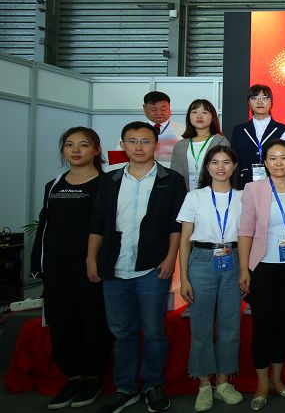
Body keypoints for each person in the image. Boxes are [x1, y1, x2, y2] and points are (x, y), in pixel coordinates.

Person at [87, 121, 187, 413]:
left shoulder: (171, 180)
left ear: (156, 145)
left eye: (145, 141)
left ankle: (153, 385)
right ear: (123, 145)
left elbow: (176, 225)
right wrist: (92, 258)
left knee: (154, 330)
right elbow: (97, 223)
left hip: (152, 267)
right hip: (114, 266)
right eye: (132, 141)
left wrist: (170, 258)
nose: (139, 147)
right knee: (122, 332)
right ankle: (126, 388)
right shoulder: (110, 180)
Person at [31, 127, 108, 410]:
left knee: (92, 319)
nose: (76, 150)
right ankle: (72, 377)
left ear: (96, 150)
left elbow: (107, 227)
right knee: (62, 320)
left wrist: (97, 261)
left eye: (84, 145)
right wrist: (38, 264)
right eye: (69, 145)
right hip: (57, 265)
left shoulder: (106, 184)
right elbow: (44, 226)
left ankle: (93, 377)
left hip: (90, 265)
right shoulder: (53, 185)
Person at [237, 139, 285, 411]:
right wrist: (244, 268)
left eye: (284, 157)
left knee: (284, 324)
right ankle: (262, 384)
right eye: (273, 158)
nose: (279, 163)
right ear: (265, 162)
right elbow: (245, 231)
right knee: (263, 326)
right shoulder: (253, 189)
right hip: (263, 266)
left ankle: (277, 380)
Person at [176, 146, 245, 411]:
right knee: (201, 325)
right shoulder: (194, 196)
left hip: (233, 259)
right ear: (207, 167)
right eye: (215, 162)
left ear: (234, 166)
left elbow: (247, 236)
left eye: (226, 162)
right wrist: (184, 278)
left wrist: (245, 270)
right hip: (202, 261)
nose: (220, 167)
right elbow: (184, 240)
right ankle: (204, 384)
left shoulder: (243, 196)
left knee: (230, 325)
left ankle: (224, 382)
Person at [231, 84, 285, 187]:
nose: (259, 102)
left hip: (275, 182)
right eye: (254, 98)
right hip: (245, 182)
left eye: (265, 98)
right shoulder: (239, 130)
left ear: (271, 102)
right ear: (249, 102)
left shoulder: (283, 130)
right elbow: (234, 159)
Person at [170, 99, 230, 191]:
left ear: (212, 118)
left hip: (212, 192)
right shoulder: (180, 145)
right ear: (189, 117)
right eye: (194, 112)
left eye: (204, 112)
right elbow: (174, 174)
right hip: (183, 194)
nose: (199, 116)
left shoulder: (221, 142)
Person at [140, 91, 184, 165]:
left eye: (163, 109)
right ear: (144, 108)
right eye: (154, 110)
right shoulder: (134, 130)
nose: (159, 113)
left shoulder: (184, 130)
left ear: (169, 108)